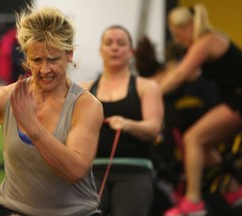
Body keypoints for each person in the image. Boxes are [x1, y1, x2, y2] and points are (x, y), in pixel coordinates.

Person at [0, 5, 104, 216]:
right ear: (27, 58)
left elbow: (75, 170)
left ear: (69, 55)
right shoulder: (2, 98)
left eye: (53, 59)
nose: (45, 70)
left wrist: (33, 128)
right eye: (37, 60)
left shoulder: (86, 105)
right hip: (14, 210)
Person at [158, 4, 242, 216]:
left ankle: (193, 201)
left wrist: (151, 95)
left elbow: (180, 75)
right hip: (231, 99)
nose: (177, 41)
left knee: (193, 139)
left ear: (188, 27)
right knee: (204, 146)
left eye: (178, 35)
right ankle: (235, 189)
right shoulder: (206, 42)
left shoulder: (206, 42)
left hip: (237, 100)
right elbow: (177, 72)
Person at [80, 25, 164, 216]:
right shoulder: (83, 89)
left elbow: (153, 129)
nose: (115, 47)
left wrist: (128, 124)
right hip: (91, 172)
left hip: (134, 170)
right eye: (109, 43)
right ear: (101, 50)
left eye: (121, 43)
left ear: (131, 52)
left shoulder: (147, 86)